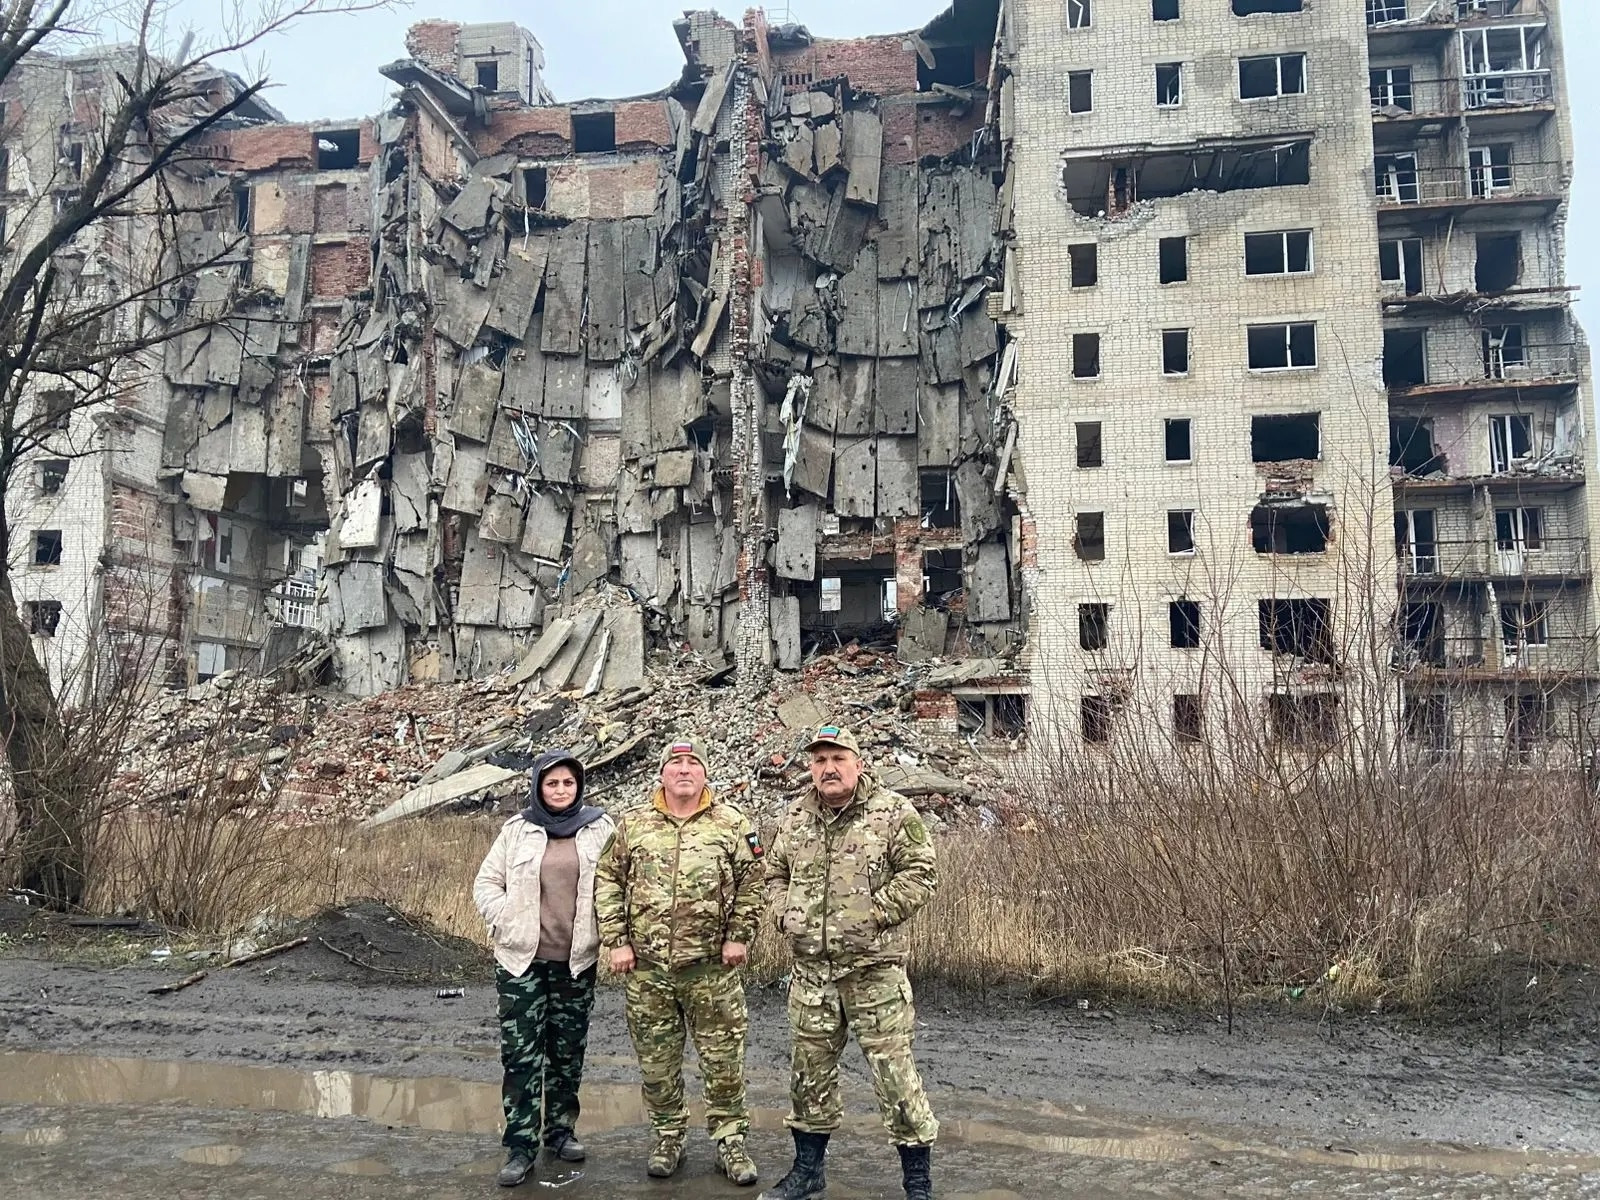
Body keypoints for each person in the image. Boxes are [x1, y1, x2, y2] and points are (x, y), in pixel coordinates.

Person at [760, 724, 940, 1200]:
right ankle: (807, 1171)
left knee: (896, 1079)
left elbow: (922, 875)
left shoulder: (893, 813)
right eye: (819, 760)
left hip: (873, 972)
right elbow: (772, 874)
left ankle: (917, 1182)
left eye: (838, 758)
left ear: (858, 764)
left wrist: (872, 914)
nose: (829, 768)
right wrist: (785, 914)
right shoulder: (796, 817)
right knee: (808, 1076)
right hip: (811, 975)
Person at [594, 737, 764, 1186]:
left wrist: (738, 936)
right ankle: (668, 1135)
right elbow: (608, 879)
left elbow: (754, 883)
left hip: (712, 968)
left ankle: (730, 1141)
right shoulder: (634, 825)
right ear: (663, 775)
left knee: (723, 1061)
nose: (684, 770)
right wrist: (617, 940)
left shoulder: (731, 824)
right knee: (656, 1063)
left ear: (705, 774)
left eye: (693, 764)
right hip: (647, 970)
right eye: (676, 764)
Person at [473, 750, 614, 1189]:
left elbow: (618, 881)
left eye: (568, 784)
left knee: (566, 1053)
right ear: (538, 786)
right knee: (521, 1056)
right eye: (551, 784)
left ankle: (560, 1132)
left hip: (575, 962)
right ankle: (520, 1145)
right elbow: (486, 882)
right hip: (520, 963)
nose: (559, 791)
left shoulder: (600, 829)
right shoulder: (518, 830)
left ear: (579, 787)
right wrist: (506, 917)